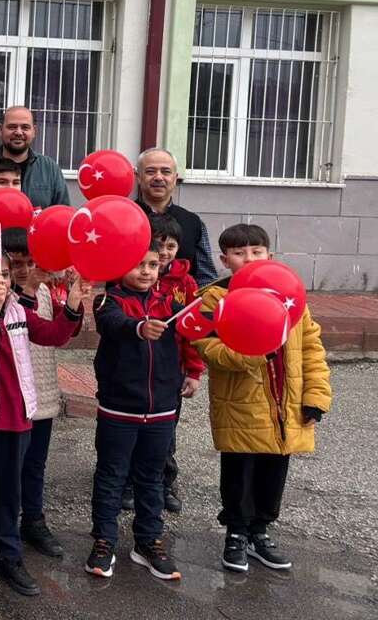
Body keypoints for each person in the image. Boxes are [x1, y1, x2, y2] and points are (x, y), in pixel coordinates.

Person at [0, 242, 89, 598]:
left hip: (17, 413)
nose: (0, 282)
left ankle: (9, 555)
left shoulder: (19, 310)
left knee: (11, 490)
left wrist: (72, 302)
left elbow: (53, 335)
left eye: (4, 275)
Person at [194, 224, 331, 573]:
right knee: (240, 473)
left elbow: (313, 348)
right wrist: (256, 352)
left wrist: (315, 396)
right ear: (225, 260)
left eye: (256, 251)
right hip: (241, 406)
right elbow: (211, 349)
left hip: (285, 406)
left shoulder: (289, 294)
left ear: (269, 255)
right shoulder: (215, 298)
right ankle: (236, 534)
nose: (249, 258)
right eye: (239, 253)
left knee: (273, 473)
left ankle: (260, 532)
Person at [85, 241, 203, 582]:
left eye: (152, 265)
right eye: (138, 265)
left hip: (163, 409)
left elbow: (190, 335)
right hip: (118, 408)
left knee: (152, 479)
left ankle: (148, 541)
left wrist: (194, 370)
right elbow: (116, 324)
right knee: (111, 477)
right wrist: (140, 328)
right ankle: (103, 541)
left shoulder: (171, 302)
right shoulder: (108, 301)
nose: (146, 272)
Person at [0, 228, 68, 563]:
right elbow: (13, 323)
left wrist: (70, 298)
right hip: (8, 394)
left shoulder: (44, 290)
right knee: (0, 467)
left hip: (40, 390)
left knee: (35, 464)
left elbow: (57, 333)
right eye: (16, 263)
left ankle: (33, 518)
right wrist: (26, 290)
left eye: (31, 262)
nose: (25, 270)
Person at [152, 214, 201, 513]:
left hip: (173, 368)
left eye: (171, 246)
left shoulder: (187, 282)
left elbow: (193, 331)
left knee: (167, 429)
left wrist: (194, 371)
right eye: (159, 245)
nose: (165, 252)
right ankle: (132, 482)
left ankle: (165, 482)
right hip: (140, 368)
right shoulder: (133, 274)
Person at [134, 148, 218, 287]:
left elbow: (206, 278)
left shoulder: (192, 222)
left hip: (182, 305)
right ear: (138, 177)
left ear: (175, 177)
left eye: (166, 172)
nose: (159, 177)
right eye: (150, 171)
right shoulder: (122, 219)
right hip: (129, 306)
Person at [0, 106, 69, 208]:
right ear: (0, 130)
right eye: (12, 127)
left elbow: (63, 212)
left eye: (25, 127)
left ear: (34, 131)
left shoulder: (49, 168)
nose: (18, 132)